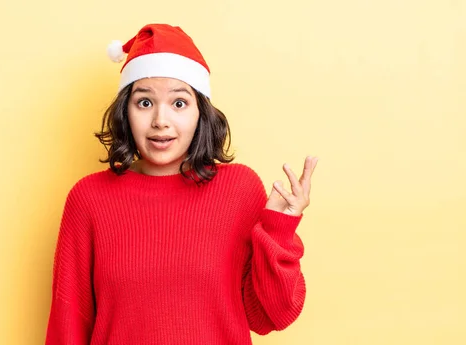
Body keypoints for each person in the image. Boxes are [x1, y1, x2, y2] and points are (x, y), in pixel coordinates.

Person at [44, 23, 318, 345]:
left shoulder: (239, 190)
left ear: (201, 113)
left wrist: (278, 230)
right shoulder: (89, 199)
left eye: (179, 103)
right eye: (144, 102)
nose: (161, 120)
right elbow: (68, 325)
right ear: (125, 112)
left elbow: (271, 315)